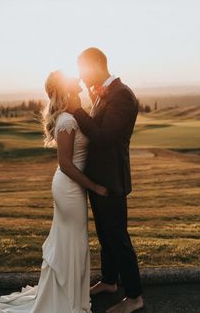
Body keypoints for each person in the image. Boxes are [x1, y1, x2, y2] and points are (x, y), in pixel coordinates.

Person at [0, 70, 108, 313]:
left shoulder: (72, 114)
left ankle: (68, 296)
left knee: (72, 241)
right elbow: (66, 165)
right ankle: (67, 301)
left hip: (72, 187)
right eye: (74, 80)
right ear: (65, 88)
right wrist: (95, 187)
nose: (78, 80)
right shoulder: (66, 121)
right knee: (73, 242)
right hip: (69, 188)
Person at [68, 47, 145, 313]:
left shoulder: (122, 96)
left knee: (118, 238)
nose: (79, 76)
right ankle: (110, 281)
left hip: (111, 180)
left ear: (95, 66)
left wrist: (78, 112)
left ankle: (134, 297)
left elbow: (103, 136)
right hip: (99, 178)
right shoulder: (105, 93)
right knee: (105, 235)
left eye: (81, 69)